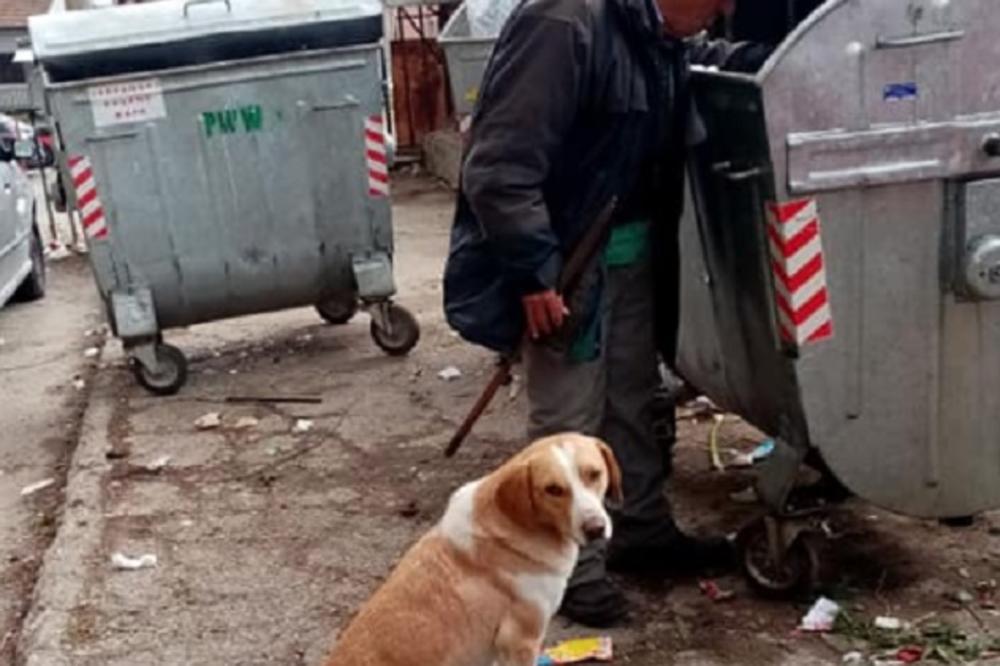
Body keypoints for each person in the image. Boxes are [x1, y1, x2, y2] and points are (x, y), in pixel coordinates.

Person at [443, 0, 769, 627]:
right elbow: (499, 167)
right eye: (716, 4)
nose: (721, 14)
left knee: (632, 396)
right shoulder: (564, 23)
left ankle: (640, 527)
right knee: (567, 418)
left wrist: (775, 60)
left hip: (631, 249)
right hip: (568, 264)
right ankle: (568, 570)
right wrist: (535, 273)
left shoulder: (658, 31)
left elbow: (693, 62)